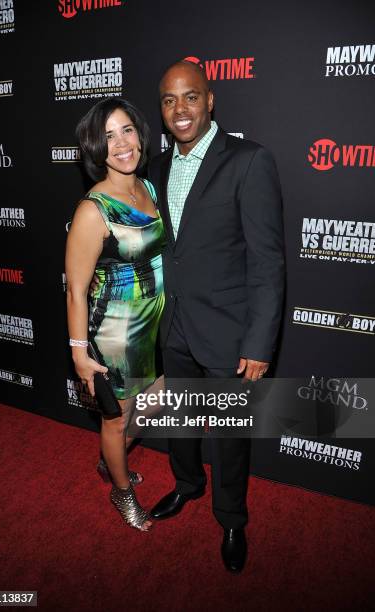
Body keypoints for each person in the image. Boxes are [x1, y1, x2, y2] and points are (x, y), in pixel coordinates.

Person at [148, 61, 285, 571]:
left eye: (189, 98)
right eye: (167, 100)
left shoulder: (249, 161)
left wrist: (259, 342)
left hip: (229, 330)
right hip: (174, 324)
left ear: (210, 100)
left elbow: (268, 261)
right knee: (181, 420)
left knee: (228, 434)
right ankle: (187, 484)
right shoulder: (156, 170)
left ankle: (231, 518)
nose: (178, 109)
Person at [65, 98, 166, 532]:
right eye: (108, 136)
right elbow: (76, 289)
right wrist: (79, 353)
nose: (122, 143)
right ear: (95, 148)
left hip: (157, 323)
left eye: (127, 130)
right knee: (118, 415)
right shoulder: (93, 210)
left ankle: (113, 460)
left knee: (158, 398)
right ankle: (121, 490)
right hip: (116, 334)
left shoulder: (149, 188)